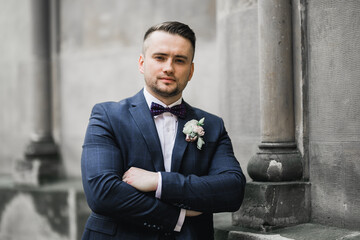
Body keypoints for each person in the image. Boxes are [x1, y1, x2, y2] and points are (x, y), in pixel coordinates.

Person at [81, 21, 246, 240]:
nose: (169, 67)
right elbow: (102, 193)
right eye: (160, 58)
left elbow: (232, 190)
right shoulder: (107, 116)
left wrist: (159, 182)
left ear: (191, 70)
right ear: (142, 63)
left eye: (179, 60)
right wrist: (179, 215)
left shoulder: (212, 125)